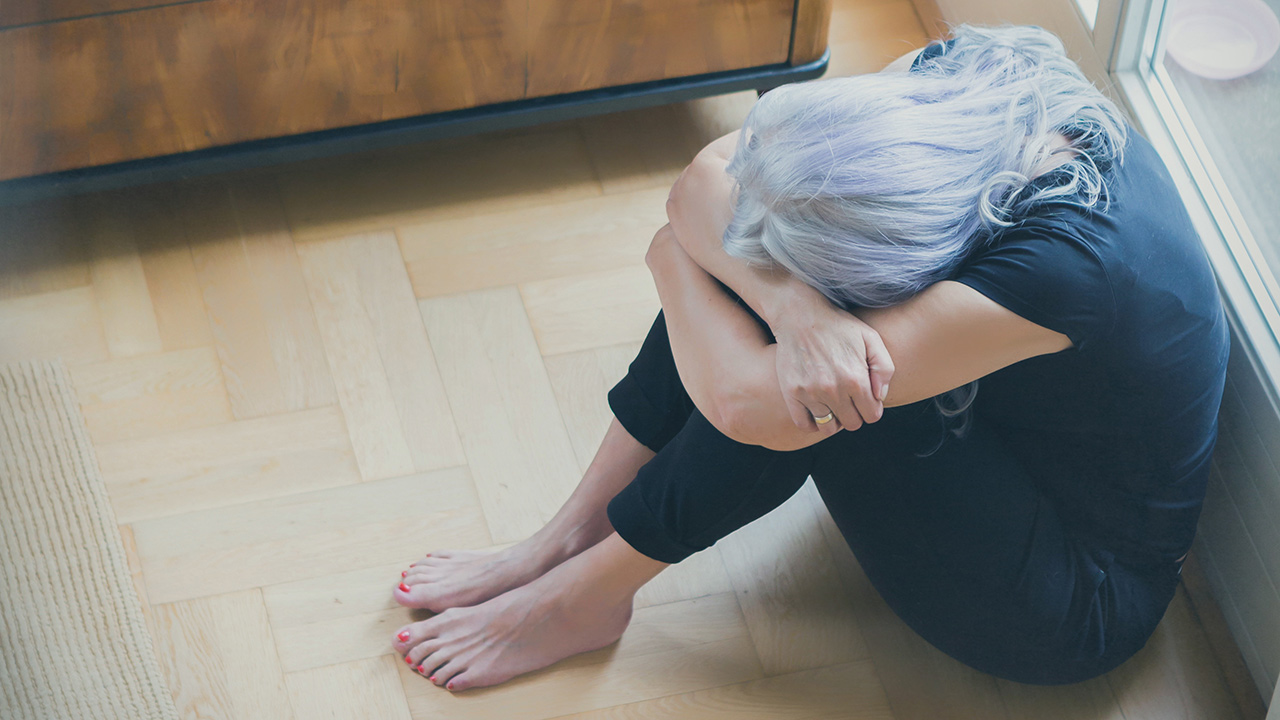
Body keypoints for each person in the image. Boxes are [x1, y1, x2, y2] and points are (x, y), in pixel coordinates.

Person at [388, 24, 1230, 693]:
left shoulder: (1068, 269)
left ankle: (586, 598)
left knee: (830, 381)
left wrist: (674, 257)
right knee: (777, 280)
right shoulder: (969, 74)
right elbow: (706, 180)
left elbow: (748, 403)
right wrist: (792, 303)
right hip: (1001, 444)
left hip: (1068, 596)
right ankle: (568, 535)